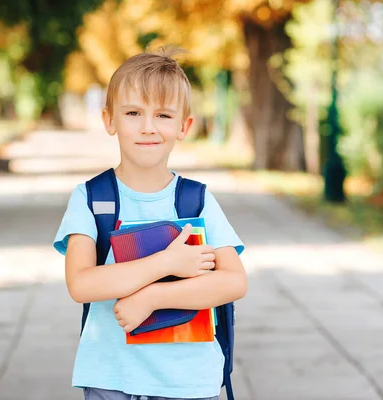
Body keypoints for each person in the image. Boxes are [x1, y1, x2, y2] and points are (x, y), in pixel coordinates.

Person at [53, 47, 247, 400]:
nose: (147, 127)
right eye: (132, 112)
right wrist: (167, 263)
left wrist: (155, 297)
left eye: (163, 115)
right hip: (111, 378)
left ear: (184, 126)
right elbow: (80, 284)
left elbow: (233, 281)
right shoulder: (92, 199)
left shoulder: (197, 199)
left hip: (188, 381)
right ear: (109, 120)